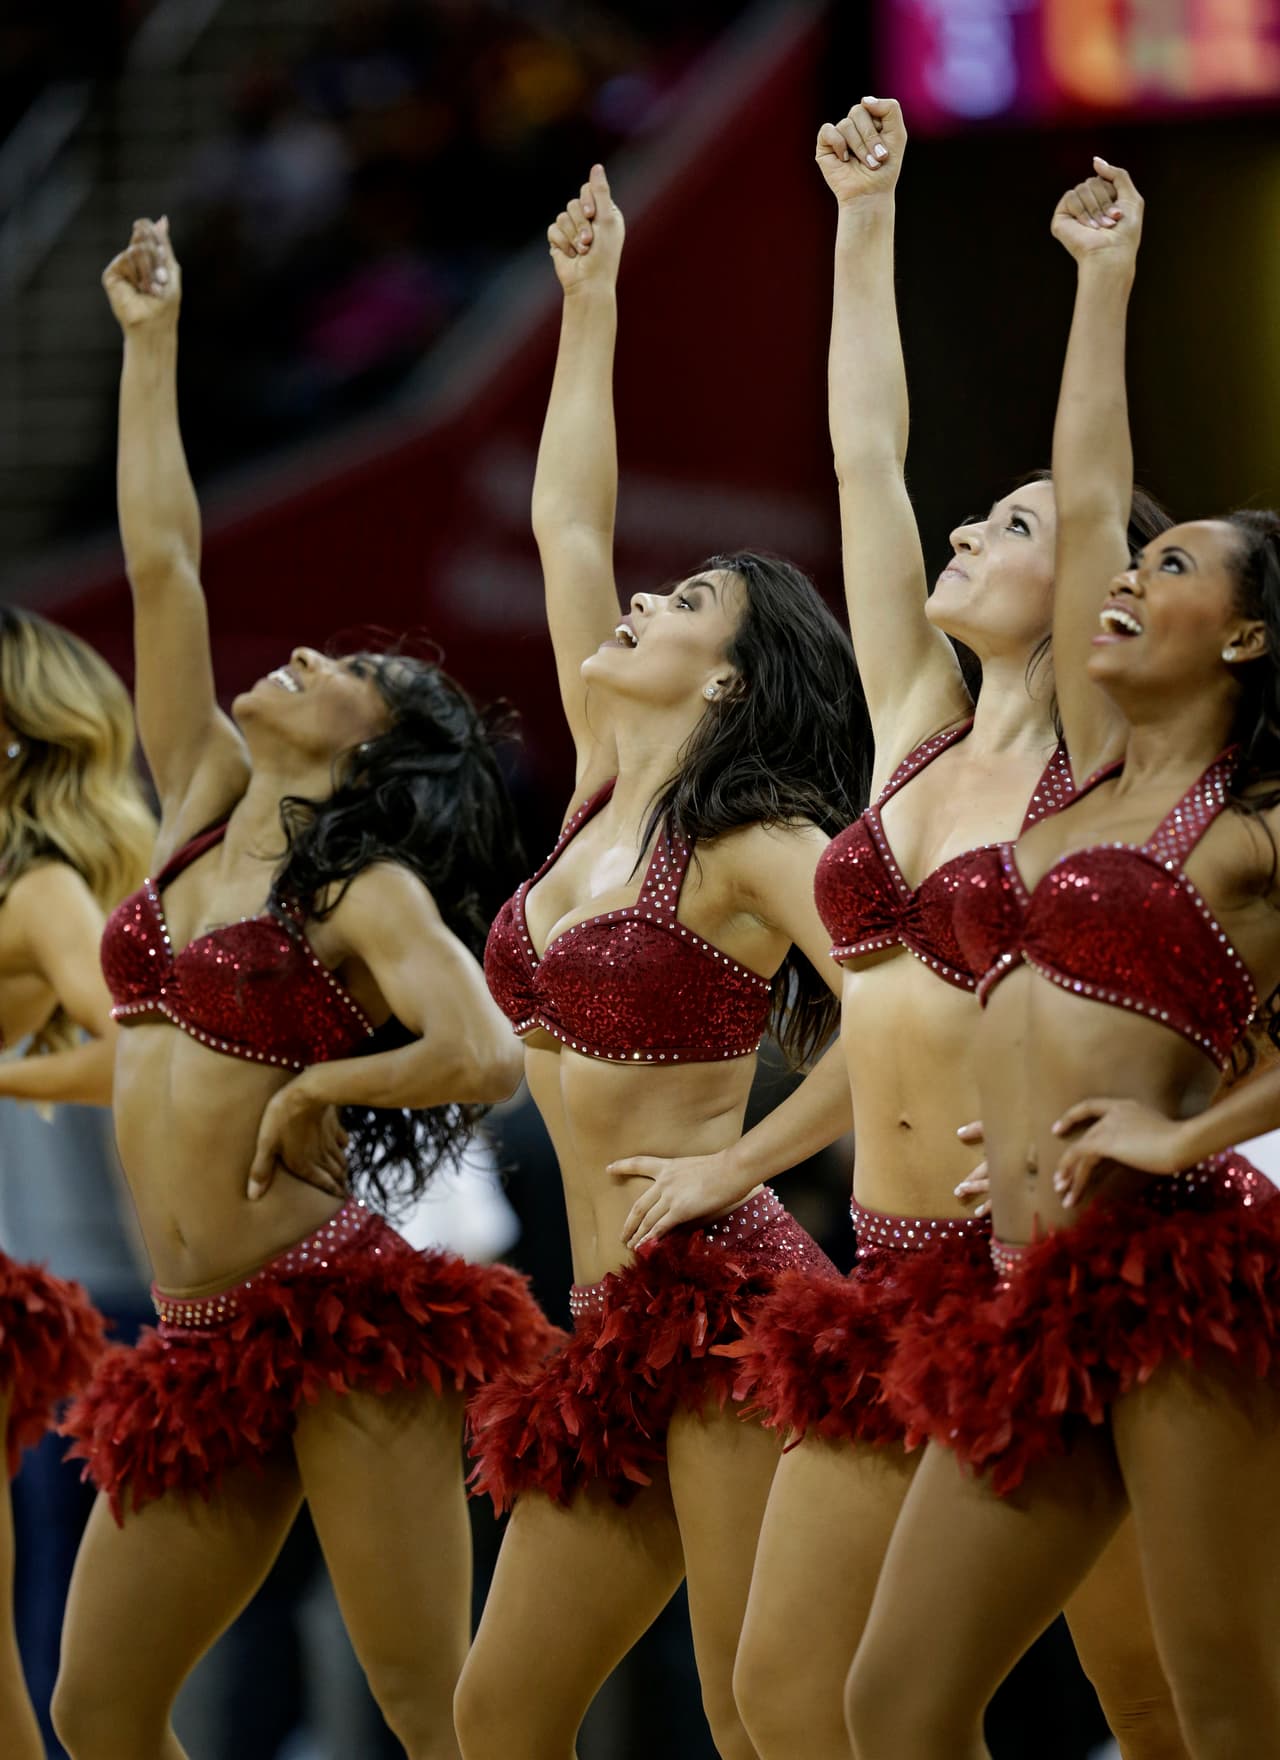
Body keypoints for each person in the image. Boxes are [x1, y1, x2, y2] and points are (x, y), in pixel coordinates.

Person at [608, 102, 1183, 1759]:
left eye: (1010, 532)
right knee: (798, 1702)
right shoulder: (916, 726)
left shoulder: (1090, 758)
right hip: (881, 1277)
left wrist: (1101, 282)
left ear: (1096, 583)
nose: (967, 535)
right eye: (977, 520)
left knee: (1154, 1697)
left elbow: (1087, 483)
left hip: (1048, 1275)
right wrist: (863, 221)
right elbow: (869, 458)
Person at [53, 217, 554, 1760]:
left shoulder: (367, 889)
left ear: (370, 746)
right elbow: (161, 557)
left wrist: (329, 1087)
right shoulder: (200, 791)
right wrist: (150, 346)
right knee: (101, 1705)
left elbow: (483, 1056)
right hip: (194, 1333)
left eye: (342, 667)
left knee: (428, 1705)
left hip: (339, 1314)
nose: (303, 658)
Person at [846, 158, 1280, 1760]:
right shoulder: (1085, 770)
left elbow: (1096, 505)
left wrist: (1185, 1134)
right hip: (1022, 1291)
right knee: (897, 1705)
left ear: (1242, 637)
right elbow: (1093, 488)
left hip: (1179, 1282)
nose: (1125, 577)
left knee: (1219, 1699)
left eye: (1172, 572)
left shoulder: (1254, 827)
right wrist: (1103, 280)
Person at [456, 165, 864, 1760]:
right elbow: (565, 516)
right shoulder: (603, 788)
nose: (638, 596)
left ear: (738, 677)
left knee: (761, 1718)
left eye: (686, 598)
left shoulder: (753, 843)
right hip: (602, 1322)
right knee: (504, 1721)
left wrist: (730, 1171)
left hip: (731, 1304)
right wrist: (590, 302)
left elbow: (892, 1017)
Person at [0, 606, 154, 1759]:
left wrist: (8, 1075)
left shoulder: (40, 884)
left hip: (72, 1287)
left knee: (33, 1648)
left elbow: (142, 1046)